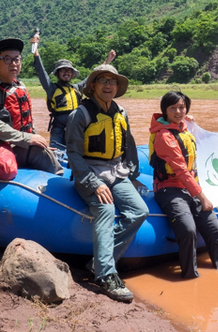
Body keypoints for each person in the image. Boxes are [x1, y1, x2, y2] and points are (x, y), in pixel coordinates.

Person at [65, 65, 148, 303]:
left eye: (113, 81)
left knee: (140, 211)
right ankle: (106, 275)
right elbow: (73, 153)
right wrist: (92, 183)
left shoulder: (121, 111)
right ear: (93, 86)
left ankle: (97, 262)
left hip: (116, 170)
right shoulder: (80, 114)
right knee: (105, 208)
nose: (109, 85)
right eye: (103, 80)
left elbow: (128, 147)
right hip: (90, 171)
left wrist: (132, 174)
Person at [150, 91, 218, 278]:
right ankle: (190, 276)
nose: (178, 111)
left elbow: (182, 126)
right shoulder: (164, 136)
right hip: (168, 189)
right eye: (173, 108)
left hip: (189, 188)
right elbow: (181, 170)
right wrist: (203, 198)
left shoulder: (183, 127)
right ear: (164, 111)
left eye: (182, 107)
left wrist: (186, 120)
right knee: (188, 229)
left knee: (214, 228)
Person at [0, 38, 63, 180]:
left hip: (19, 143)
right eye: (7, 59)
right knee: (7, 167)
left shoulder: (19, 85)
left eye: (17, 59)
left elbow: (27, 121)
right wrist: (27, 139)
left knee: (45, 152)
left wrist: (36, 140)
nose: (14, 64)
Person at [30, 33, 116, 149]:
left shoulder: (76, 88)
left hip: (76, 125)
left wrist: (107, 61)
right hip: (59, 127)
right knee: (56, 152)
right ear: (58, 73)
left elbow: (92, 75)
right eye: (63, 70)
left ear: (72, 74)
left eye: (69, 71)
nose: (67, 72)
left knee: (79, 151)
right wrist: (35, 52)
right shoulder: (52, 88)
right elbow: (41, 72)